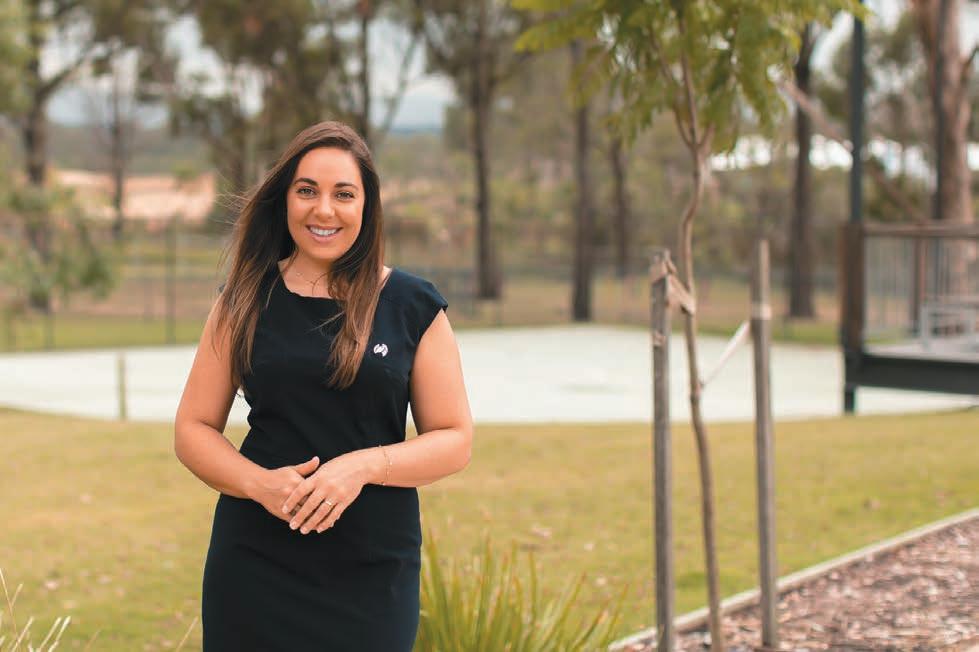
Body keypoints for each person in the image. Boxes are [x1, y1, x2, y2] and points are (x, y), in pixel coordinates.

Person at [173, 120, 473, 651]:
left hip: (372, 572)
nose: (324, 210)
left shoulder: (413, 305)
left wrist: (361, 467)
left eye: (344, 194)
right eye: (307, 191)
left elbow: (454, 439)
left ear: (367, 205)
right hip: (255, 566)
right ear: (285, 200)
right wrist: (259, 485)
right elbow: (193, 429)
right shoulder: (243, 298)